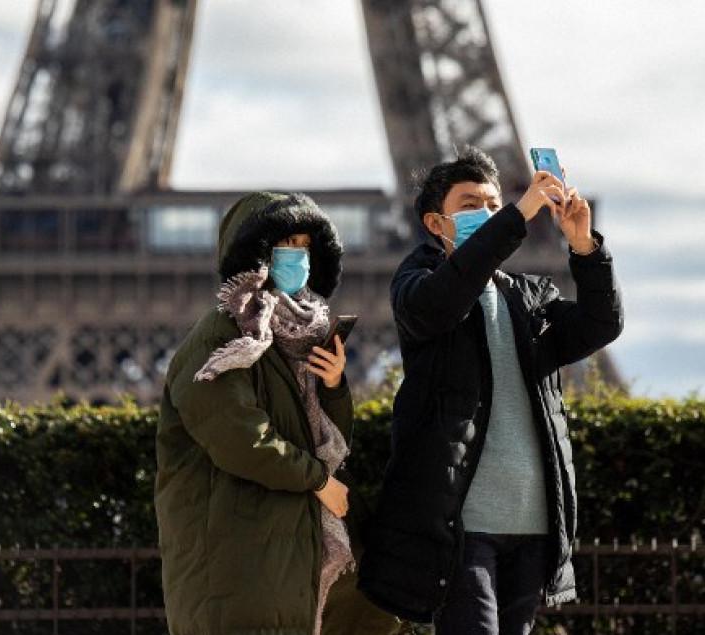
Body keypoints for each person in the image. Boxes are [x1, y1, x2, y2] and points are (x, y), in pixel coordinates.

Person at [357, 148, 624, 634]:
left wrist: (585, 247)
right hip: (463, 525)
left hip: (532, 521)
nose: (487, 213)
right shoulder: (417, 285)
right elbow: (442, 301)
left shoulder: (528, 296)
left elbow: (599, 324)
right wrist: (519, 215)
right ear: (436, 223)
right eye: (471, 204)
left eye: (494, 203)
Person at [155, 192, 399, 635]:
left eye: (306, 244)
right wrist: (318, 481)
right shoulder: (222, 334)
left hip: (285, 546)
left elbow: (327, 443)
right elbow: (238, 436)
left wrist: (333, 386)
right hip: (240, 549)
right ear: (256, 251)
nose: (298, 255)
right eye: (287, 242)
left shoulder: (305, 336)